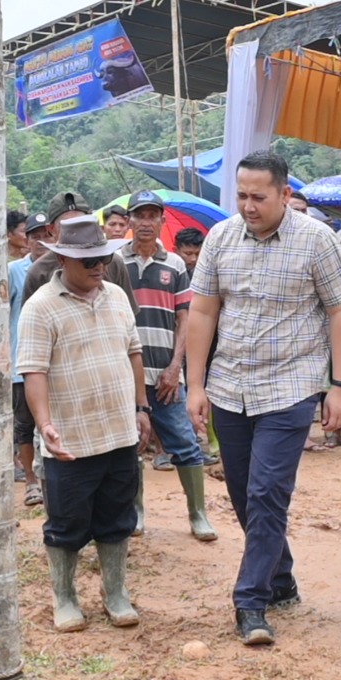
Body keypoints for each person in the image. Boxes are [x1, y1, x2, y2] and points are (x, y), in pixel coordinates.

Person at [186, 150, 341, 646]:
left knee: (267, 494)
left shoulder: (317, 240)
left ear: (284, 194)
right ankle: (280, 577)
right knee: (243, 494)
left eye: (258, 197)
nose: (248, 205)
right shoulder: (220, 237)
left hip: (291, 388)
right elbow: (202, 314)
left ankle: (251, 601)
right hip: (229, 387)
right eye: (241, 195)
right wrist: (197, 385)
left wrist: (339, 385)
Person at [19, 216, 151, 632]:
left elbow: (133, 352)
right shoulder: (40, 307)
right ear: (63, 258)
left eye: (103, 259)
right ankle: (65, 597)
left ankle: (115, 593)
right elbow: (34, 371)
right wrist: (45, 425)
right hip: (71, 439)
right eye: (89, 262)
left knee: (117, 517)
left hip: (118, 433)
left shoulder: (114, 296)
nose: (99, 268)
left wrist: (142, 407)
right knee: (67, 523)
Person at [117, 191, 217, 541]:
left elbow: (184, 317)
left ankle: (198, 514)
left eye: (152, 215)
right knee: (131, 445)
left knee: (186, 443)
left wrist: (177, 365)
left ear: (162, 221)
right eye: (138, 215)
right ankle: (137, 511)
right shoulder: (114, 261)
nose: (145, 222)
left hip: (165, 373)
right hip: (126, 374)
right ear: (129, 220)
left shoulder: (175, 265)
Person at [12, 212, 53, 507]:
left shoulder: (63, 267)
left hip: (57, 363)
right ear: (25, 240)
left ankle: (53, 478)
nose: (41, 240)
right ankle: (30, 480)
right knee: (25, 425)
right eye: (34, 235)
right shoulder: (13, 270)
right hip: (22, 361)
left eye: (46, 234)